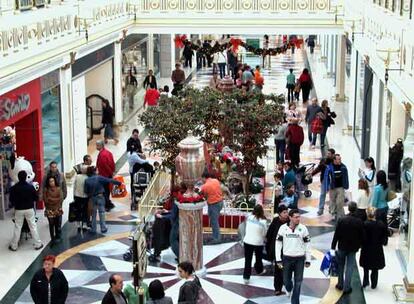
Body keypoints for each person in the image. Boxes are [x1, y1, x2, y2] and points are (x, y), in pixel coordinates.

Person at [275, 209, 311, 304]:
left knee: (298, 282)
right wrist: (278, 259)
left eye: (299, 217)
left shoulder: (303, 229)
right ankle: (288, 288)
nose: (298, 219)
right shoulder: (283, 228)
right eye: (296, 217)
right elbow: (278, 244)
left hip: (300, 259)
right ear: (290, 217)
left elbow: (307, 244)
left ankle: (295, 302)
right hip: (287, 258)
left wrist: (308, 259)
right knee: (286, 280)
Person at [331, 202, 364, 294]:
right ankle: (347, 287)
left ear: (348, 209)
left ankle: (340, 284)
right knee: (350, 267)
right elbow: (362, 236)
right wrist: (360, 245)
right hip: (353, 248)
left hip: (342, 246)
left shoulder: (342, 220)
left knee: (341, 265)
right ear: (356, 209)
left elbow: (336, 234)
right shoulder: (359, 221)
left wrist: (333, 247)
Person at [9, 170, 43, 251]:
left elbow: (11, 200)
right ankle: (38, 244)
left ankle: (14, 246)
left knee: (18, 227)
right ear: (25, 177)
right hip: (29, 209)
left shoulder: (13, 188)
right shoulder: (30, 187)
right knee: (33, 226)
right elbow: (36, 198)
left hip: (19, 209)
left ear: (18, 177)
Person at [84, 166, 121, 234]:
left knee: (93, 214)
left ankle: (93, 229)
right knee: (102, 213)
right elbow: (109, 180)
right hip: (100, 197)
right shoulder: (99, 178)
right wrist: (119, 183)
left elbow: (86, 191)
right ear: (94, 171)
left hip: (92, 198)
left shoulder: (87, 180)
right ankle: (103, 228)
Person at [360, 207, 387, 289]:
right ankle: (374, 284)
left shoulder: (364, 224)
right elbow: (384, 237)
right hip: (377, 248)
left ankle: (365, 281)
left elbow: (362, 237)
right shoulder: (381, 224)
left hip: (366, 248)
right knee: (375, 267)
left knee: (366, 266)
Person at [266, 205, 289, 296]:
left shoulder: (289, 222)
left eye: (287, 212)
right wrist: (269, 249)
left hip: (287, 249)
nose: (286, 214)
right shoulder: (275, 221)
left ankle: (286, 283)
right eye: (284, 212)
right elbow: (269, 235)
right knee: (278, 269)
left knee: (287, 269)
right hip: (277, 250)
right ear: (279, 214)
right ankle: (277, 288)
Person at [243, 204, 268, 284]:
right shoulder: (263, 221)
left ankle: (246, 277)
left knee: (248, 260)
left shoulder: (249, 218)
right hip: (258, 242)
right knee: (258, 258)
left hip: (247, 241)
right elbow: (264, 233)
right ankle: (259, 270)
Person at [324, 154, 349, 220]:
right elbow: (326, 177)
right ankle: (333, 213)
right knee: (332, 201)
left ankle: (339, 214)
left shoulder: (343, 167)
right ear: (334, 160)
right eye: (338, 159)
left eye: (340, 159)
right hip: (332, 187)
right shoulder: (329, 167)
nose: (340, 160)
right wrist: (326, 187)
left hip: (341, 187)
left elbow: (346, 177)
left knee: (340, 202)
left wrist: (346, 186)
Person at [200, 172, 224, 244]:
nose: (201, 180)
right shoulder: (216, 181)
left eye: (201, 178)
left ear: (204, 177)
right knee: (214, 220)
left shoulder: (204, 186)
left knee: (214, 222)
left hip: (214, 204)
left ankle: (216, 239)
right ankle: (215, 235)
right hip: (220, 202)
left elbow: (202, 196)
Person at [312, 148, 335, 215]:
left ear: (333, 155)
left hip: (333, 181)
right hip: (324, 180)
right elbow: (318, 168)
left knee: (332, 196)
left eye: (329, 154)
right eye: (327, 153)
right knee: (322, 194)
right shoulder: (324, 160)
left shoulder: (334, 161)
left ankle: (332, 210)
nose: (327, 155)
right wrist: (311, 174)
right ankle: (320, 209)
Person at [96, 140, 116, 211]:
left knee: (105, 190)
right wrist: (112, 172)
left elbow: (105, 165)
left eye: (97, 145)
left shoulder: (102, 155)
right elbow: (112, 163)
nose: (96, 147)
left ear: (100, 146)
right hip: (108, 175)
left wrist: (110, 172)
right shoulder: (108, 153)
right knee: (107, 190)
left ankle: (107, 205)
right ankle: (107, 203)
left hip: (104, 175)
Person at [43, 176, 64, 244]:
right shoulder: (46, 190)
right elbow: (46, 200)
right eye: (50, 181)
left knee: (57, 224)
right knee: (51, 224)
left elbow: (60, 199)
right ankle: (52, 238)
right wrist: (55, 200)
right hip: (49, 209)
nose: (51, 182)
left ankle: (58, 236)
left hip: (57, 209)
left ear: (55, 181)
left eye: (52, 181)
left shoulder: (58, 189)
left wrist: (51, 199)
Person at [371, 170, 390, 245]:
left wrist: (372, 209)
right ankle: (385, 239)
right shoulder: (386, 186)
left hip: (379, 208)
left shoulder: (377, 188)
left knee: (378, 225)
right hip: (385, 206)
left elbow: (375, 200)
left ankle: (379, 239)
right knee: (384, 224)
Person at [73, 155, 91, 232]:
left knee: (78, 210)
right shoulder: (87, 177)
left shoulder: (77, 176)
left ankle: (78, 224)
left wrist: (73, 195)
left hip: (77, 196)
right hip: (85, 196)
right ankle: (84, 224)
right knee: (84, 210)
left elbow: (74, 187)